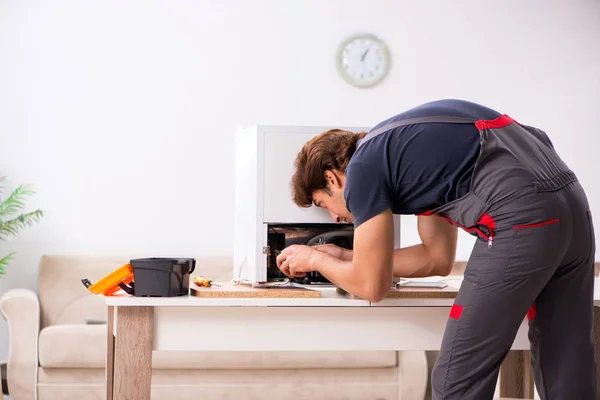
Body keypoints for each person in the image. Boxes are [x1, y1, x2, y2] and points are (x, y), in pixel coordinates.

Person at [275, 99, 597, 400]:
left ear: (332, 178)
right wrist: (344, 256)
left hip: (521, 219)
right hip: (574, 211)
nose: (334, 217)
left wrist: (314, 257)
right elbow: (437, 257)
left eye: (323, 204)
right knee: (565, 367)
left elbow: (372, 285)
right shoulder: (406, 150)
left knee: (456, 381)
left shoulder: (362, 168)